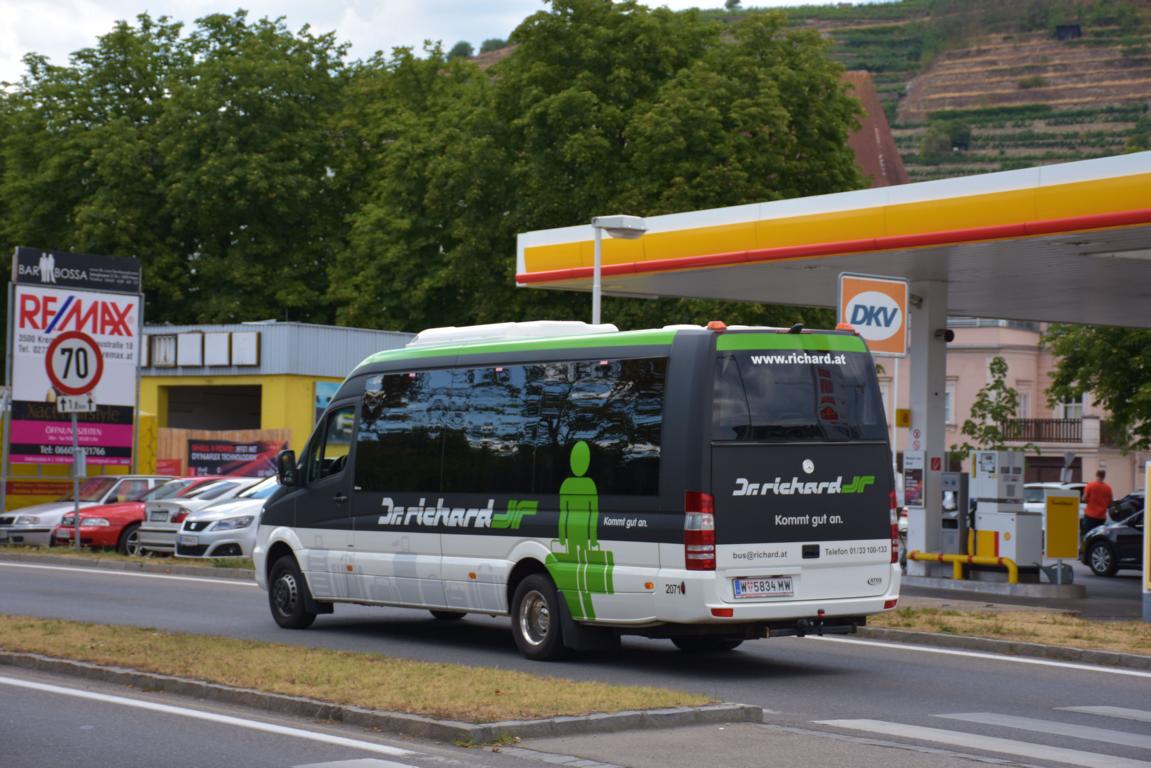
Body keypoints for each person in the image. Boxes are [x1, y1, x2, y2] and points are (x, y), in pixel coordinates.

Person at [1080, 469, 1113, 539]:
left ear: (1096, 475)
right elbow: (1110, 503)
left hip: (1090, 516)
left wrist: (1090, 500)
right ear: (1104, 476)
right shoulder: (1108, 488)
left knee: (1087, 536)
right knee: (1097, 537)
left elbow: (1083, 498)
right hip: (1101, 517)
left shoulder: (1090, 485)